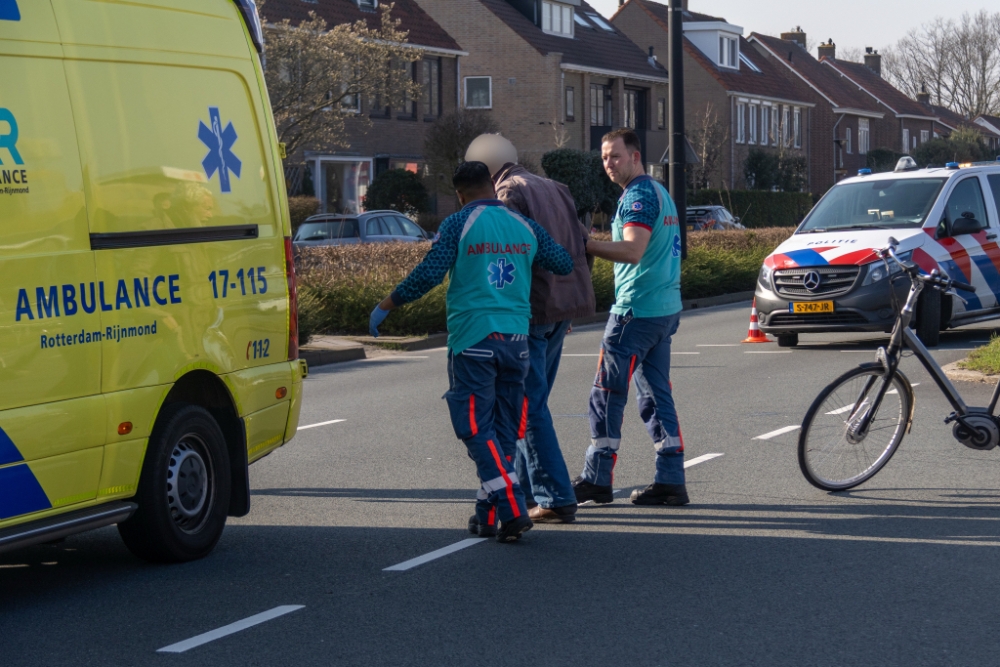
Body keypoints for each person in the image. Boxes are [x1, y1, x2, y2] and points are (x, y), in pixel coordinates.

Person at [369, 161, 574, 542]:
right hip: (517, 342)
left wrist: (387, 304)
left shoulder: (458, 224)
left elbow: (429, 274)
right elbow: (561, 261)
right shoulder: (523, 225)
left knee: (475, 429)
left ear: (460, 195)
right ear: (492, 188)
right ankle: (486, 514)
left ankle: (511, 506)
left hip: (474, 341)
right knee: (502, 432)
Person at [465, 134, 595, 524]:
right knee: (526, 404)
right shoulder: (555, 187)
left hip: (531, 310)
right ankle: (520, 491)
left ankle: (555, 496)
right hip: (562, 306)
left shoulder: (507, 193)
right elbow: (578, 243)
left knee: (526, 405)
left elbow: (505, 251)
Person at [571, 128, 689, 507]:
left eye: (615, 156)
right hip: (663, 309)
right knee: (656, 395)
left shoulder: (638, 195)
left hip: (634, 312)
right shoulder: (658, 192)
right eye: (604, 157)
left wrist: (586, 244)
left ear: (635, 156)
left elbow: (634, 250)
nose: (608, 164)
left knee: (606, 395)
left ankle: (596, 478)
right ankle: (671, 478)